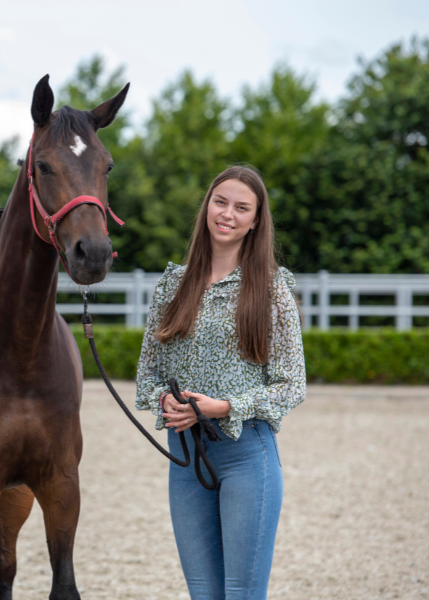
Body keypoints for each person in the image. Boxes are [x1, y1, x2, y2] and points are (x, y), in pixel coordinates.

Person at [135, 165, 306, 600]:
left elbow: (292, 385)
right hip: (186, 458)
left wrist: (225, 406)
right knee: (202, 593)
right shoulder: (173, 284)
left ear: (255, 221)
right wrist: (164, 401)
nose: (227, 213)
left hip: (248, 456)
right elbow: (146, 374)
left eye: (241, 207)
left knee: (241, 592)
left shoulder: (271, 289)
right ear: (207, 207)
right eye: (220, 201)